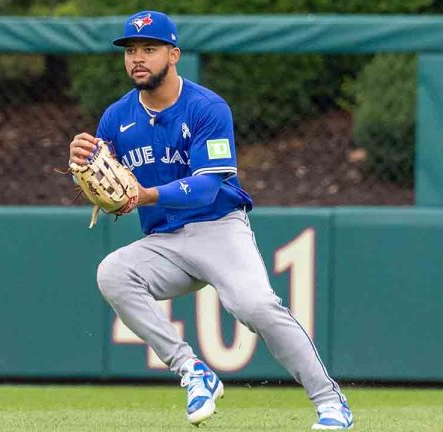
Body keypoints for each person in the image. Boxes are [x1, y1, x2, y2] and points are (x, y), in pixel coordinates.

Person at [68, 10, 354, 430]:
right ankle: (192, 370)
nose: (138, 58)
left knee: (255, 305)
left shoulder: (206, 108)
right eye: (131, 50)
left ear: (174, 54)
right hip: (164, 240)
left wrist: (145, 195)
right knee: (112, 272)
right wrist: (80, 161)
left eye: (150, 48)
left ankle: (331, 402)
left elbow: (205, 188)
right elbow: (105, 181)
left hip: (218, 228)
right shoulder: (115, 118)